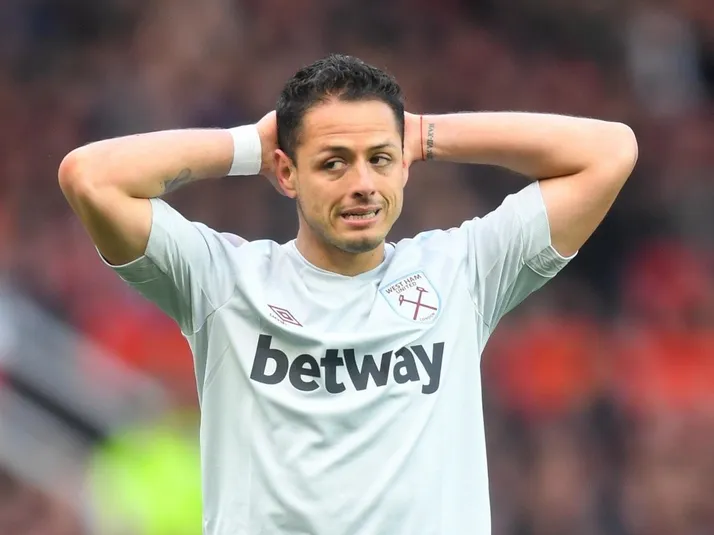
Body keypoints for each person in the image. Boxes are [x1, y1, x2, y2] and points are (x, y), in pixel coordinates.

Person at [58, 54, 638, 535]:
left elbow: (610, 151)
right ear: (287, 174)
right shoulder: (224, 281)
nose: (363, 184)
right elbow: (90, 177)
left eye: (379, 160)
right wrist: (249, 145)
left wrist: (423, 134)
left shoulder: (461, 272)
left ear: (403, 165)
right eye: (333, 163)